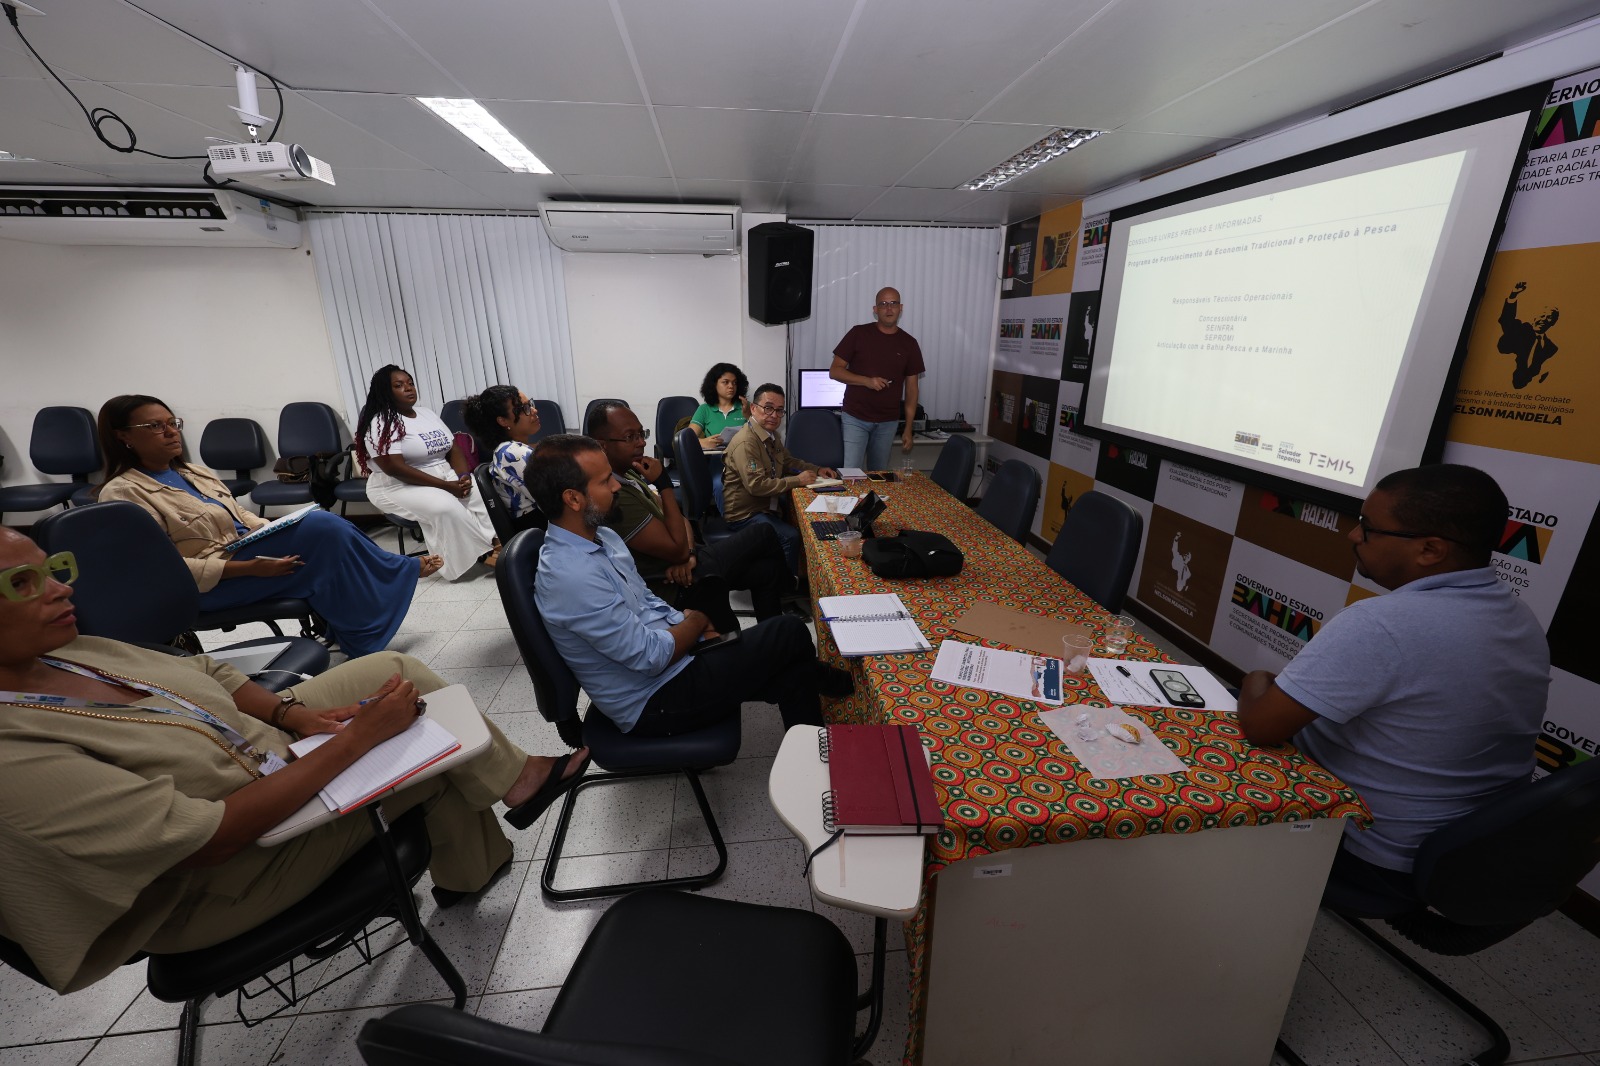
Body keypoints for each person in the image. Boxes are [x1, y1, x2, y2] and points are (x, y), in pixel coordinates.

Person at [0, 527, 589, 995]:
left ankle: (501, 812)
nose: (59, 589)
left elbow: (207, 672)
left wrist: (293, 717)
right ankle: (486, 840)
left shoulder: (70, 652)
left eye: (53, 571)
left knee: (394, 674)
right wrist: (354, 743)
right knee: (425, 756)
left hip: (257, 749)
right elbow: (209, 840)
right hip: (215, 878)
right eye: (22, 583)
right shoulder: (13, 757)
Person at [1236, 464, 1550, 904]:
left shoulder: (1382, 624)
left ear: (1430, 550)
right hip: (1464, 852)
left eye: (1369, 528)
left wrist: (1258, 675)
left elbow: (1262, 726)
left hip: (1371, 852)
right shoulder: (1520, 618)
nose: (1353, 536)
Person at [528, 435, 851, 738]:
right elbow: (651, 657)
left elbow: (646, 601)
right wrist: (696, 621)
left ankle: (818, 758)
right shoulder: (570, 576)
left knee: (794, 673)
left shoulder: (604, 537)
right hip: (653, 699)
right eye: (604, 481)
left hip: (672, 663)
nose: (616, 486)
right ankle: (846, 686)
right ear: (572, 499)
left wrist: (691, 629)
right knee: (788, 632)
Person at [95, 395, 436, 659]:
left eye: (172, 422)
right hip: (211, 584)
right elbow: (161, 571)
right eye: (155, 426)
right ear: (123, 436)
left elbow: (243, 519)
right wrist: (251, 567)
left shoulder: (195, 472)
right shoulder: (123, 493)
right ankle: (393, 580)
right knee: (324, 532)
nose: (171, 432)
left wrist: (277, 528)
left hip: (248, 553)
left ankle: (361, 634)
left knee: (322, 537)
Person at [588, 402, 791, 634]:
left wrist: (690, 553)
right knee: (764, 533)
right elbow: (676, 550)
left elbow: (680, 518)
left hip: (686, 564)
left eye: (641, 433)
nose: (641, 442)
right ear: (601, 446)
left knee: (767, 571)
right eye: (630, 437)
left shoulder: (632, 472)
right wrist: (663, 484)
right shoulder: (615, 494)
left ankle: (773, 636)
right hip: (673, 584)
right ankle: (790, 588)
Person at [355, 365, 497, 579]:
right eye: (399, 385)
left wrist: (463, 476)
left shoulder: (426, 413)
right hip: (397, 484)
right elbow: (394, 468)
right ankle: (483, 554)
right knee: (445, 505)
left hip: (443, 473)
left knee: (482, 492)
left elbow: (453, 448)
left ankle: (497, 542)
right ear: (385, 391)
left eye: (410, 383)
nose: (409, 388)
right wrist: (447, 487)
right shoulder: (381, 423)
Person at [721, 384, 840, 573]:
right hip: (745, 515)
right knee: (790, 536)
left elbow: (787, 461)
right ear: (753, 408)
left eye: (779, 410)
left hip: (766, 506)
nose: (774, 415)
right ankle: (783, 589)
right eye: (768, 408)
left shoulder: (770, 435)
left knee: (809, 523)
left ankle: (799, 575)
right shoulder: (747, 442)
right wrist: (797, 481)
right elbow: (756, 486)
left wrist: (817, 470)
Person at [830, 286, 925, 471]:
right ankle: (852, 501)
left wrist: (908, 428)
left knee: (879, 476)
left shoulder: (909, 343)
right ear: (875, 309)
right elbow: (835, 371)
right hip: (855, 417)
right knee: (851, 474)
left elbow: (912, 389)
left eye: (893, 303)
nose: (889, 309)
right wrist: (867, 381)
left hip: (888, 422)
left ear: (900, 308)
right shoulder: (858, 334)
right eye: (883, 304)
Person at [463, 384, 546, 532]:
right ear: (503, 421)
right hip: (541, 532)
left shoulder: (512, 449)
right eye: (525, 409)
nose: (534, 411)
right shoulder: (512, 454)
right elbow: (552, 504)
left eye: (530, 405)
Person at [1497, 281, 1561, 390]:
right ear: (1534, 317)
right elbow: (1506, 320)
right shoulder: (1519, 329)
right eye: (1542, 315)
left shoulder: (1551, 348)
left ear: (1553, 322)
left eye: (1549, 317)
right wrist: (1513, 295)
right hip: (1500, 385)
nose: (1543, 320)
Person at [688, 362, 750, 452]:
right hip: (715, 458)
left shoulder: (746, 407)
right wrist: (702, 442)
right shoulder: (705, 409)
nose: (731, 386)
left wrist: (749, 416)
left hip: (743, 457)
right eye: (725, 382)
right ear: (714, 384)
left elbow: (762, 437)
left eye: (734, 383)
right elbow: (688, 438)